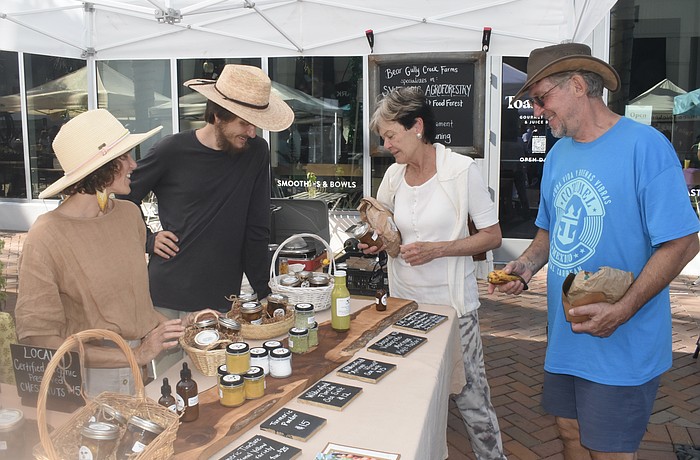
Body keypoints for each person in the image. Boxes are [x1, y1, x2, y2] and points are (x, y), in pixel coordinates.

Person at [489, 43, 700, 459]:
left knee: (609, 451)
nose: (536, 110)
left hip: (622, 337)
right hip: (566, 336)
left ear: (579, 85)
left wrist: (624, 309)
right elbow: (550, 230)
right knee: (569, 432)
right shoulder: (558, 154)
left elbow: (683, 241)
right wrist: (527, 265)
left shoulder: (645, 146)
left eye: (541, 97)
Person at [15, 109, 215, 396]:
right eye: (124, 157)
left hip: (139, 375)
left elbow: (134, 309)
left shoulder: (129, 214)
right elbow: (40, 339)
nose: (134, 164)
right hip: (89, 384)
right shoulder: (46, 235)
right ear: (100, 168)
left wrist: (184, 325)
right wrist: (134, 355)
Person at [362, 87, 506, 460]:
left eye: (391, 136)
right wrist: (378, 243)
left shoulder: (461, 171)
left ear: (417, 127)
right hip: (405, 307)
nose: (387, 145)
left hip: (453, 309)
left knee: (471, 397)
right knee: (411, 396)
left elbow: (492, 237)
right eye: (383, 138)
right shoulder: (393, 177)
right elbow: (389, 233)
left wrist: (438, 249)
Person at [125, 64, 294, 318]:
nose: (252, 132)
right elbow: (124, 197)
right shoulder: (170, 151)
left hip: (222, 298)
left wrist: (263, 293)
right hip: (167, 294)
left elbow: (257, 226)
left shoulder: (256, 152)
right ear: (217, 116)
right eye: (244, 123)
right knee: (170, 360)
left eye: (255, 124)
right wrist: (148, 239)